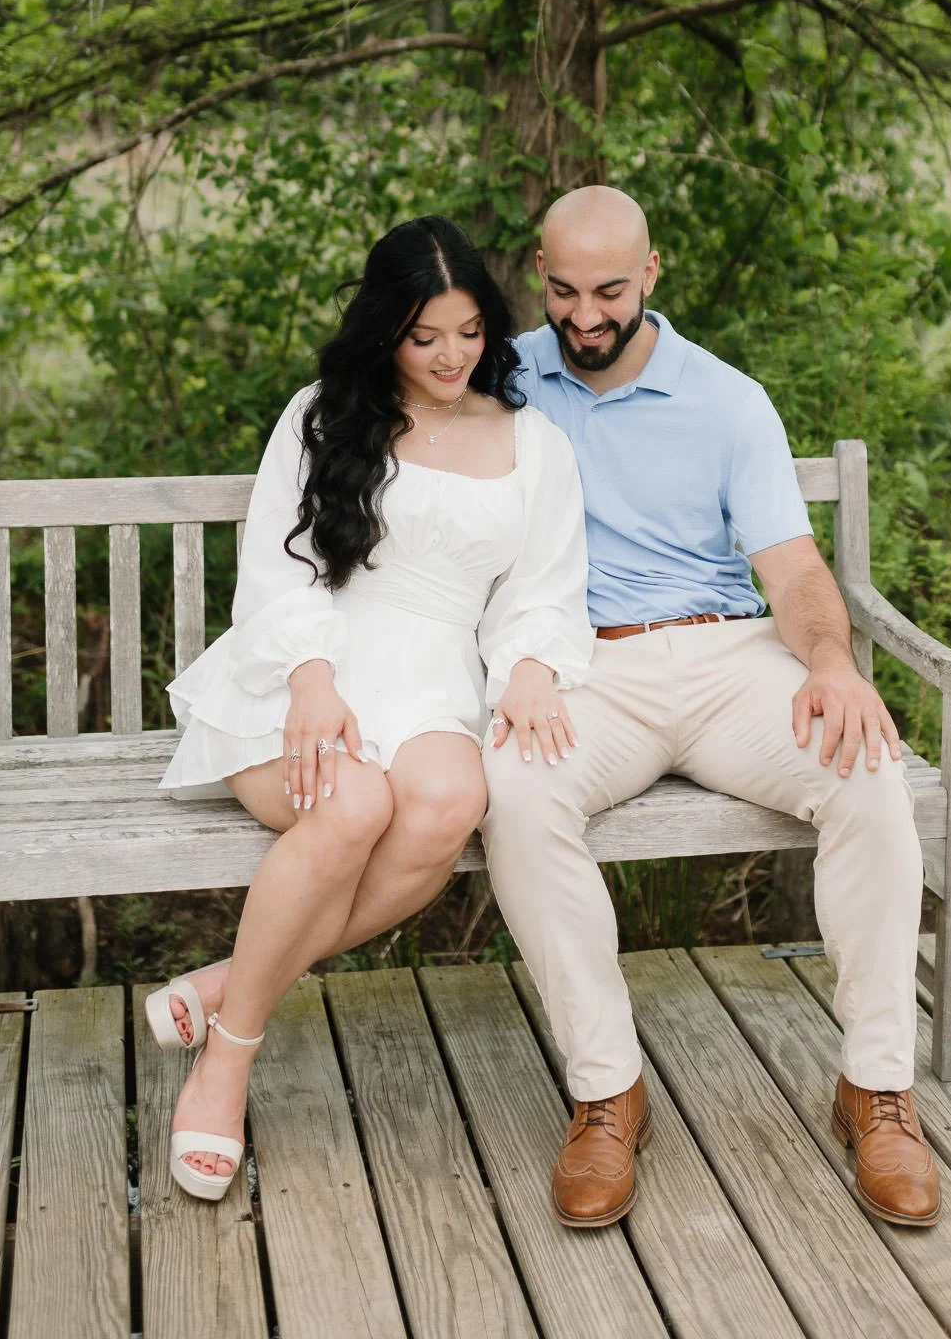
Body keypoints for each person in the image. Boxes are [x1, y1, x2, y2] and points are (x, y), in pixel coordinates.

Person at [481, 186, 941, 1231]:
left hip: (730, 655)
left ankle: (876, 1089)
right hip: (584, 668)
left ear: (652, 272)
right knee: (513, 788)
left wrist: (830, 661)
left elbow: (793, 566)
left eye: (609, 291)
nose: (584, 316)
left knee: (866, 770)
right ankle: (607, 1092)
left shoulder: (728, 400)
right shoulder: (501, 380)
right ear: (538, 274)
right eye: (563, 291)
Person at [156, 216, 592, 1200]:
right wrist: (310, 679)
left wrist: (530, 664)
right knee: (352, 804)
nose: (449, 356)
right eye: (423, 335)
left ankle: (231, 979)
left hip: (437, 679)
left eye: (469, 332)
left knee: (448, 802)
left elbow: (542, 588)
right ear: (384, 329)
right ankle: (228, 1059)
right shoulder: (323, 415)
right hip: (306, 662)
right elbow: (278, 564)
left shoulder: (533, 443)